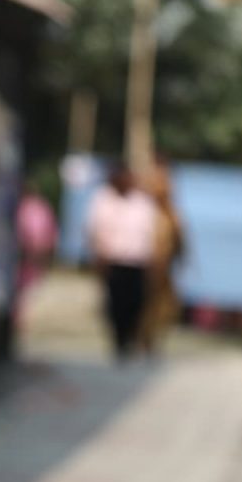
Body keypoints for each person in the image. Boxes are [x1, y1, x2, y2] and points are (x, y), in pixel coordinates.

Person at [86, 163, 159, 361]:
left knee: (136, 302)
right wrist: (98, 256)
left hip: (138, 262)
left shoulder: (142, 202)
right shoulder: (103, 199)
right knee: (115, 303)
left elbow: (150, 232)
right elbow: (95, 229)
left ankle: (130, 337)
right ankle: (119, 341)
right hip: (113, 261)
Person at [138, 155, 184, 354]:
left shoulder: (171, 213)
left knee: (162, 305)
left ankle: (150, 339)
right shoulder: (144, 208)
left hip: (163, 265)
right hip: (145, 261)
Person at [14, 181, 58, 326]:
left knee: (25, 285)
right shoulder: (39, 207)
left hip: (30, 251)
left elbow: (49, 230)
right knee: (25, 285)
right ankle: (18, 315)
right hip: (31, 251)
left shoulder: (32, 207)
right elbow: (50, 231)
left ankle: (19, 315)